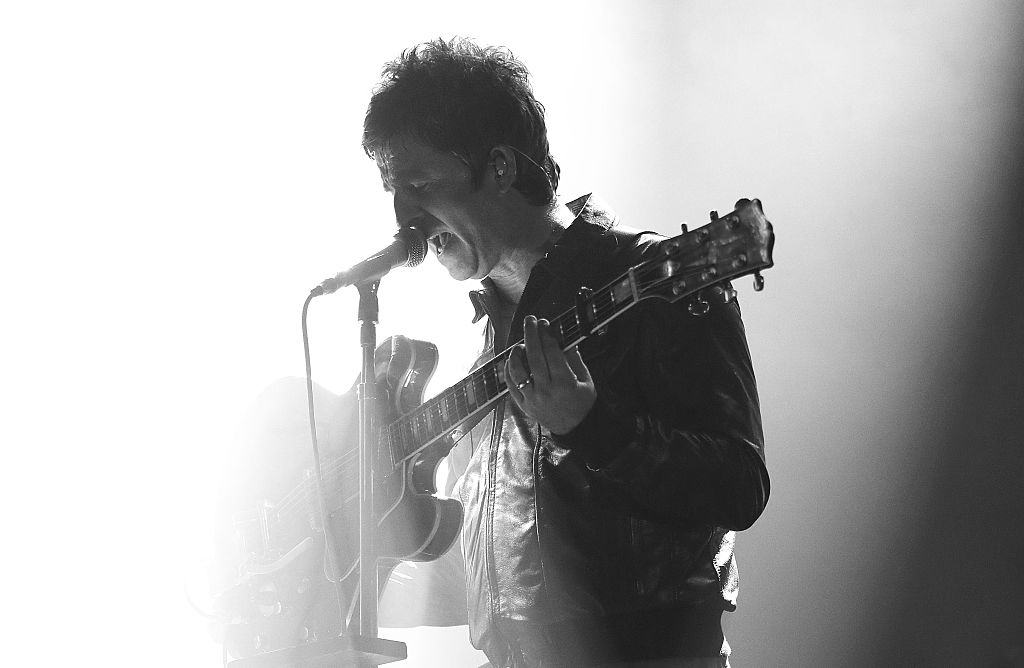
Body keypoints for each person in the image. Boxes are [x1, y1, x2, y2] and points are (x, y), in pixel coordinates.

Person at [362, 38, 769, 667]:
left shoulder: (649, 278)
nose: (403, 216)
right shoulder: (485, 352)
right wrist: (345, 579)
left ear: (499, 167)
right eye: (393, 189)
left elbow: (740, 486)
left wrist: (593, 427)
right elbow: (498, 582)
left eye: (418, 184)